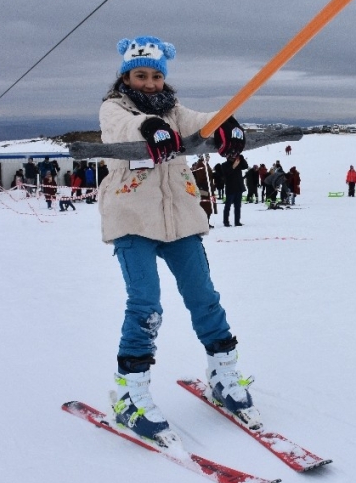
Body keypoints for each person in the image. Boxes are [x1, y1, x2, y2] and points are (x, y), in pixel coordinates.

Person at [97, 35, 259, 442]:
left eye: (155, 76)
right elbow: (122, 128)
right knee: (146, 303)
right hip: (133, 218)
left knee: (204, 296)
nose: (149, 83)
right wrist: (148, 126)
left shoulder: (173, 110)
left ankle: (222, 374)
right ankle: (129, 395)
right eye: (140, 75)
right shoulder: (113, 108)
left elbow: (200, 122)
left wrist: (225, 125)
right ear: (126, 77)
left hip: (181, 220)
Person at [221, 155, 248, 227]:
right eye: (231, 157)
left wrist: (241, 158)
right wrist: (233, 166)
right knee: (228, 206)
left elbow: (245, 166)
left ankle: (237, 221)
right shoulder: (224, 165)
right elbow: (226, 174)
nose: (233, 158)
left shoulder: (238, 163)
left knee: (238, 206)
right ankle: (226, 222)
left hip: (238, 188)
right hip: (230, 188)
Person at [191, 156, 216, 227]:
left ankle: (206, 222)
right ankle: (204, 223)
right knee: (205, 206)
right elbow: (201, 177)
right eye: (207, 156)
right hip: (203, 188)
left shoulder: (205, 164)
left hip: (208, 188)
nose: (209, 158)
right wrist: (208, 177)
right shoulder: (200, 165)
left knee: (209, 207)